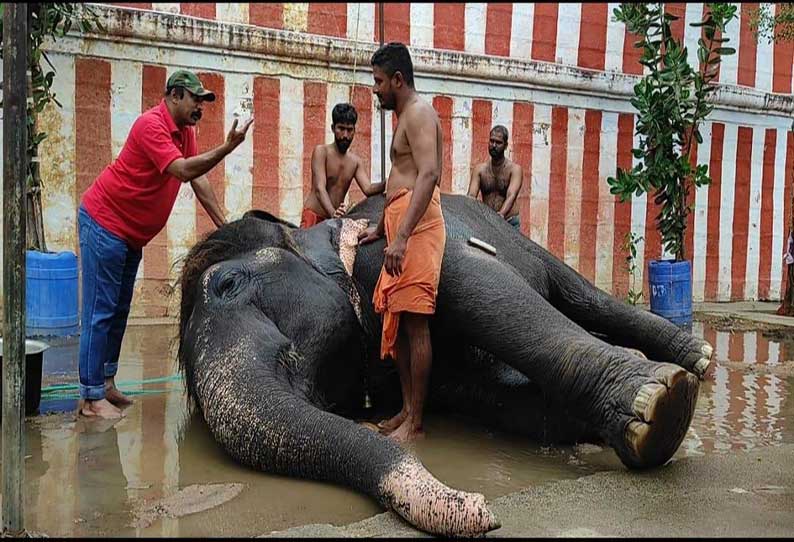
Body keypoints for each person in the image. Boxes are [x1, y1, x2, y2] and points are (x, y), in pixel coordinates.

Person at [77, 70, 253, 419]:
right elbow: (184, 170)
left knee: (118, 310)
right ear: (174, 96)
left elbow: (199, 181)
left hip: (129, 236)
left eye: (203, 101)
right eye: (195, 99)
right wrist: (228, 147)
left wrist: (226, 227)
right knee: (100, 312)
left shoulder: (184, 132)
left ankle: (106, 381)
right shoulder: (151, 125)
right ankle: (90, 398)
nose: (200, 106)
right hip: (105, 223)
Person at [358, 42, 446, 443]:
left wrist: (404, 236)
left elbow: (428, 174)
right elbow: (401, 180)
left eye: (378, 81)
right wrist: (383, 229)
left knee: (416, 322)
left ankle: (418, 424)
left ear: (397, 79)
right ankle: (406, 410)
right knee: (403, 321)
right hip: (400, 225)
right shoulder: (404, 116)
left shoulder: (420, 113)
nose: (374, 89)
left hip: (420, 229)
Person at [300, 103, 385, 228]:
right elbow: (319, 188)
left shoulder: (355, 162)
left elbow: (368, 189)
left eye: (349, 130)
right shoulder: (321, 152)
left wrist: (387, 183)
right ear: (333, 128)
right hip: (313, 217)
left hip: (334, 221)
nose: (345, 135)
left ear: (354, 131)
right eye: (341, 128)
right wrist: (333, 214)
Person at [467, 125, 523, 229]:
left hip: (509, 222)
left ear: (506, 146)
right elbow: (471, 196)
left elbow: (512, 195)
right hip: (487, 223)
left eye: (498, 142)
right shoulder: (479, 170)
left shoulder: (515, 170)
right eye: (491, 141)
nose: (494, 145)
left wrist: (500, 215)